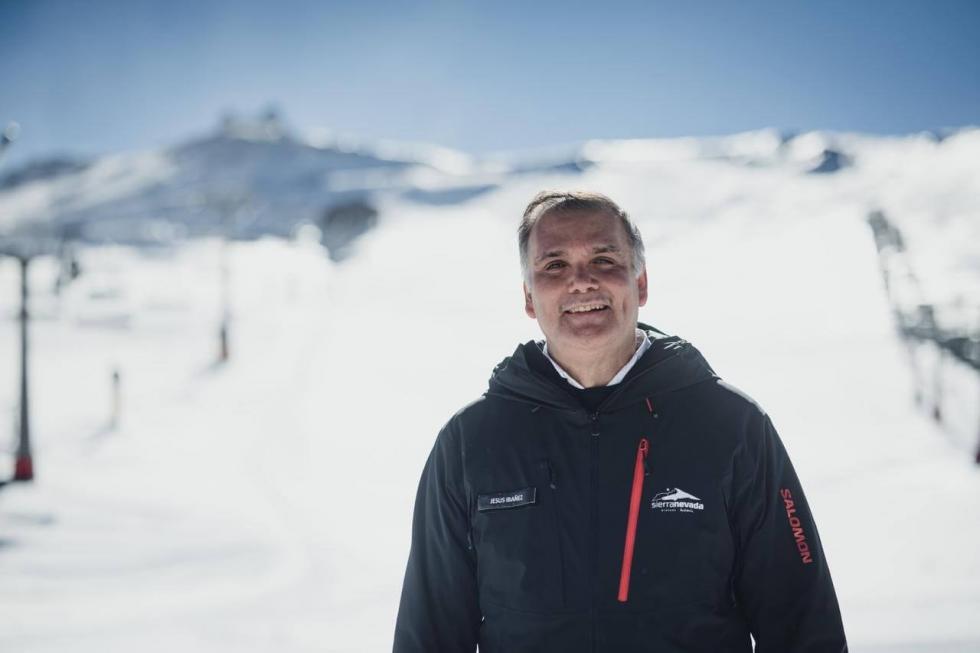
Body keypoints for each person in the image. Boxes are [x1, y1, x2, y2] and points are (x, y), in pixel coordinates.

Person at [393, 191, 847, 652]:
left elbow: (802, 623)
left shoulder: (732, 425)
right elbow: (430, 632)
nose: (581, 282)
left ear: (640, 283)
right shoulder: (471, 441)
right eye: (554, 266)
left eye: (604, 259)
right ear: (529, 297)